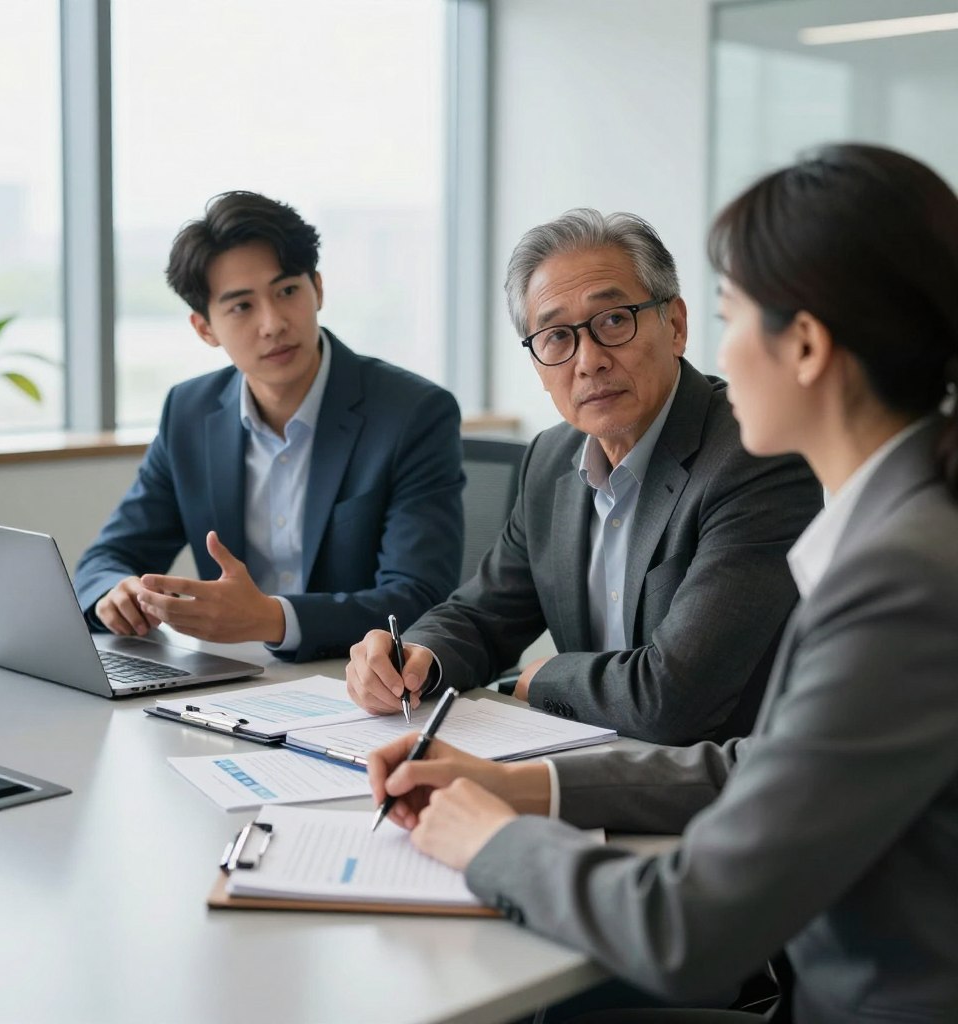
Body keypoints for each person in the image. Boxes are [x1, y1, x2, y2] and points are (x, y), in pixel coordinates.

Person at [367, 143, 958, 1022]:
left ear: (802, 344)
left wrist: (496, 841)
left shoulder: (900, 578)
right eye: (556, 338)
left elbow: (688, 926)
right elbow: (761, 768)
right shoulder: (902, 531)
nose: (589, 358)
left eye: (725, 315)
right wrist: (529, 788)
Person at [348, 209, 822, 742]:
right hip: (588, 764)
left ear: (677, 326)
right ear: (537, 362)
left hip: (717, 792)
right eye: (556, 337)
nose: (589, 360)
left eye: (615, 320)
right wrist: (417, 658)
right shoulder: (552, 457)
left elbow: (674, 698)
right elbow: (485, 614)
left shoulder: (754, 453)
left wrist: (541, 678)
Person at [73, 191, 464, 662]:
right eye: (241, 307)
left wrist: (272, 619)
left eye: (287, 291)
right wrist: (114, 594)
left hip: (358, 684)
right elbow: (105, 559)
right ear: (205, 328)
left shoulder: (412, 413)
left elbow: (419, 598)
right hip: (229, 679)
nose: (273, 323)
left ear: (317, 288)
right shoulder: (189, 412)